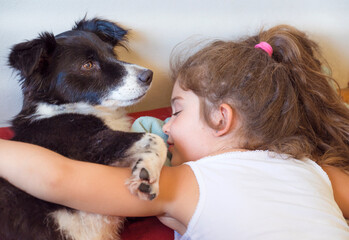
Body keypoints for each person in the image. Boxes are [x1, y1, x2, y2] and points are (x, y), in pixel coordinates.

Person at [1, 24, 349, 239]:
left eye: (176, 111)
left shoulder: (187, 181)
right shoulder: (312, 170)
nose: (165, 124)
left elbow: (58, 178)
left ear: (221, 120)